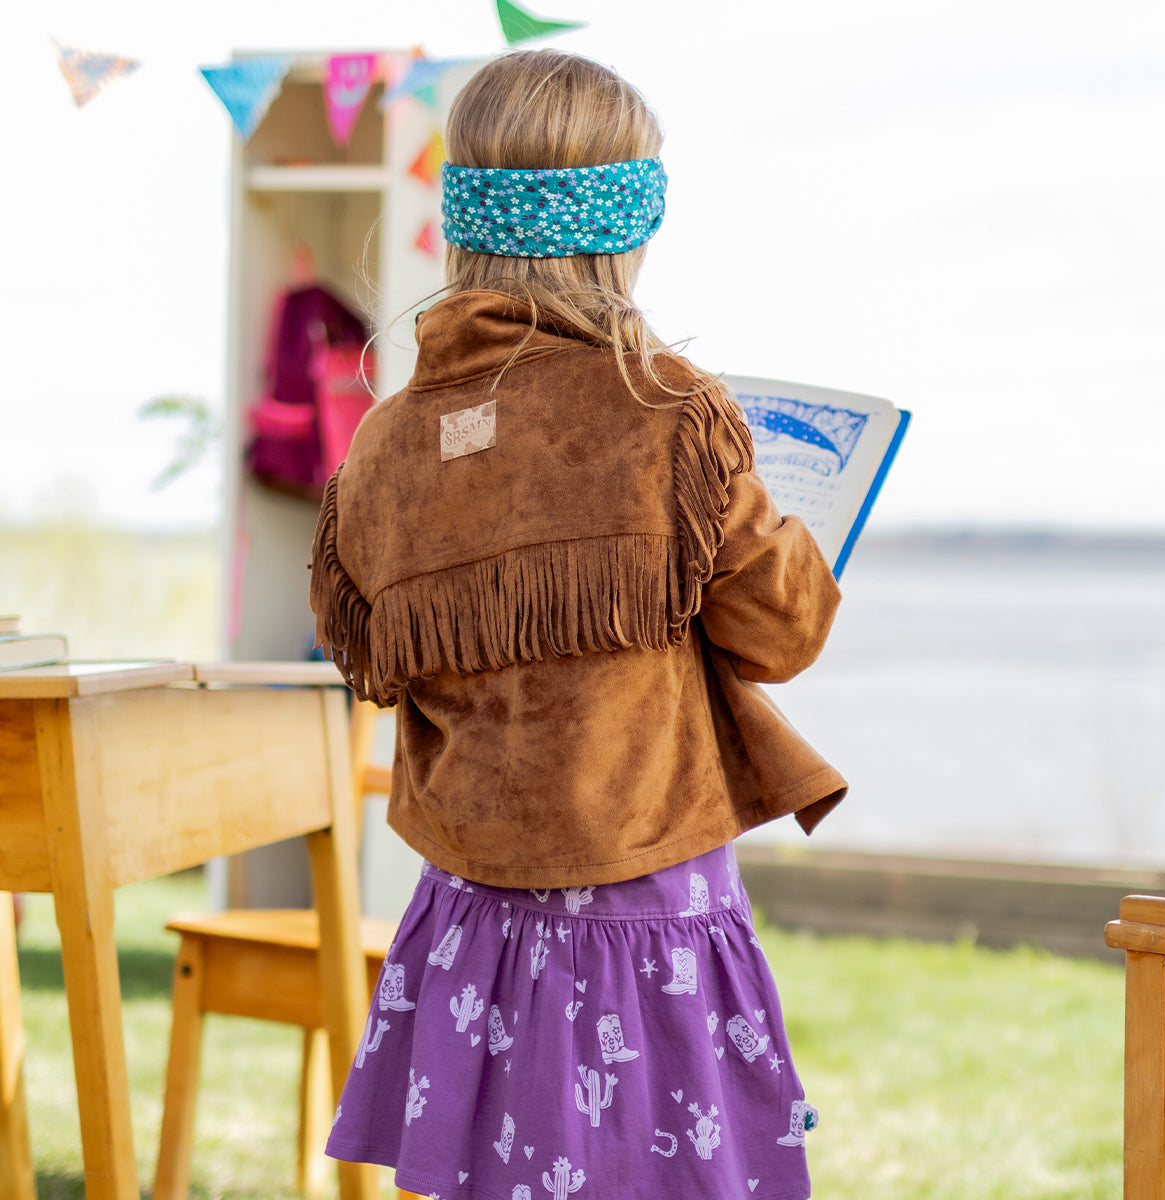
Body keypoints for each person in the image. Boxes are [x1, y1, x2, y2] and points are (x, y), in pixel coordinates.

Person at [310, 47, 846, 1200]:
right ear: (625, 228)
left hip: (466, 916)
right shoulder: (668, 407)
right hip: (642, 903)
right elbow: (780, 635)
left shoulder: (387, 442)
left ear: (468, 221)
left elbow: (368, 657)